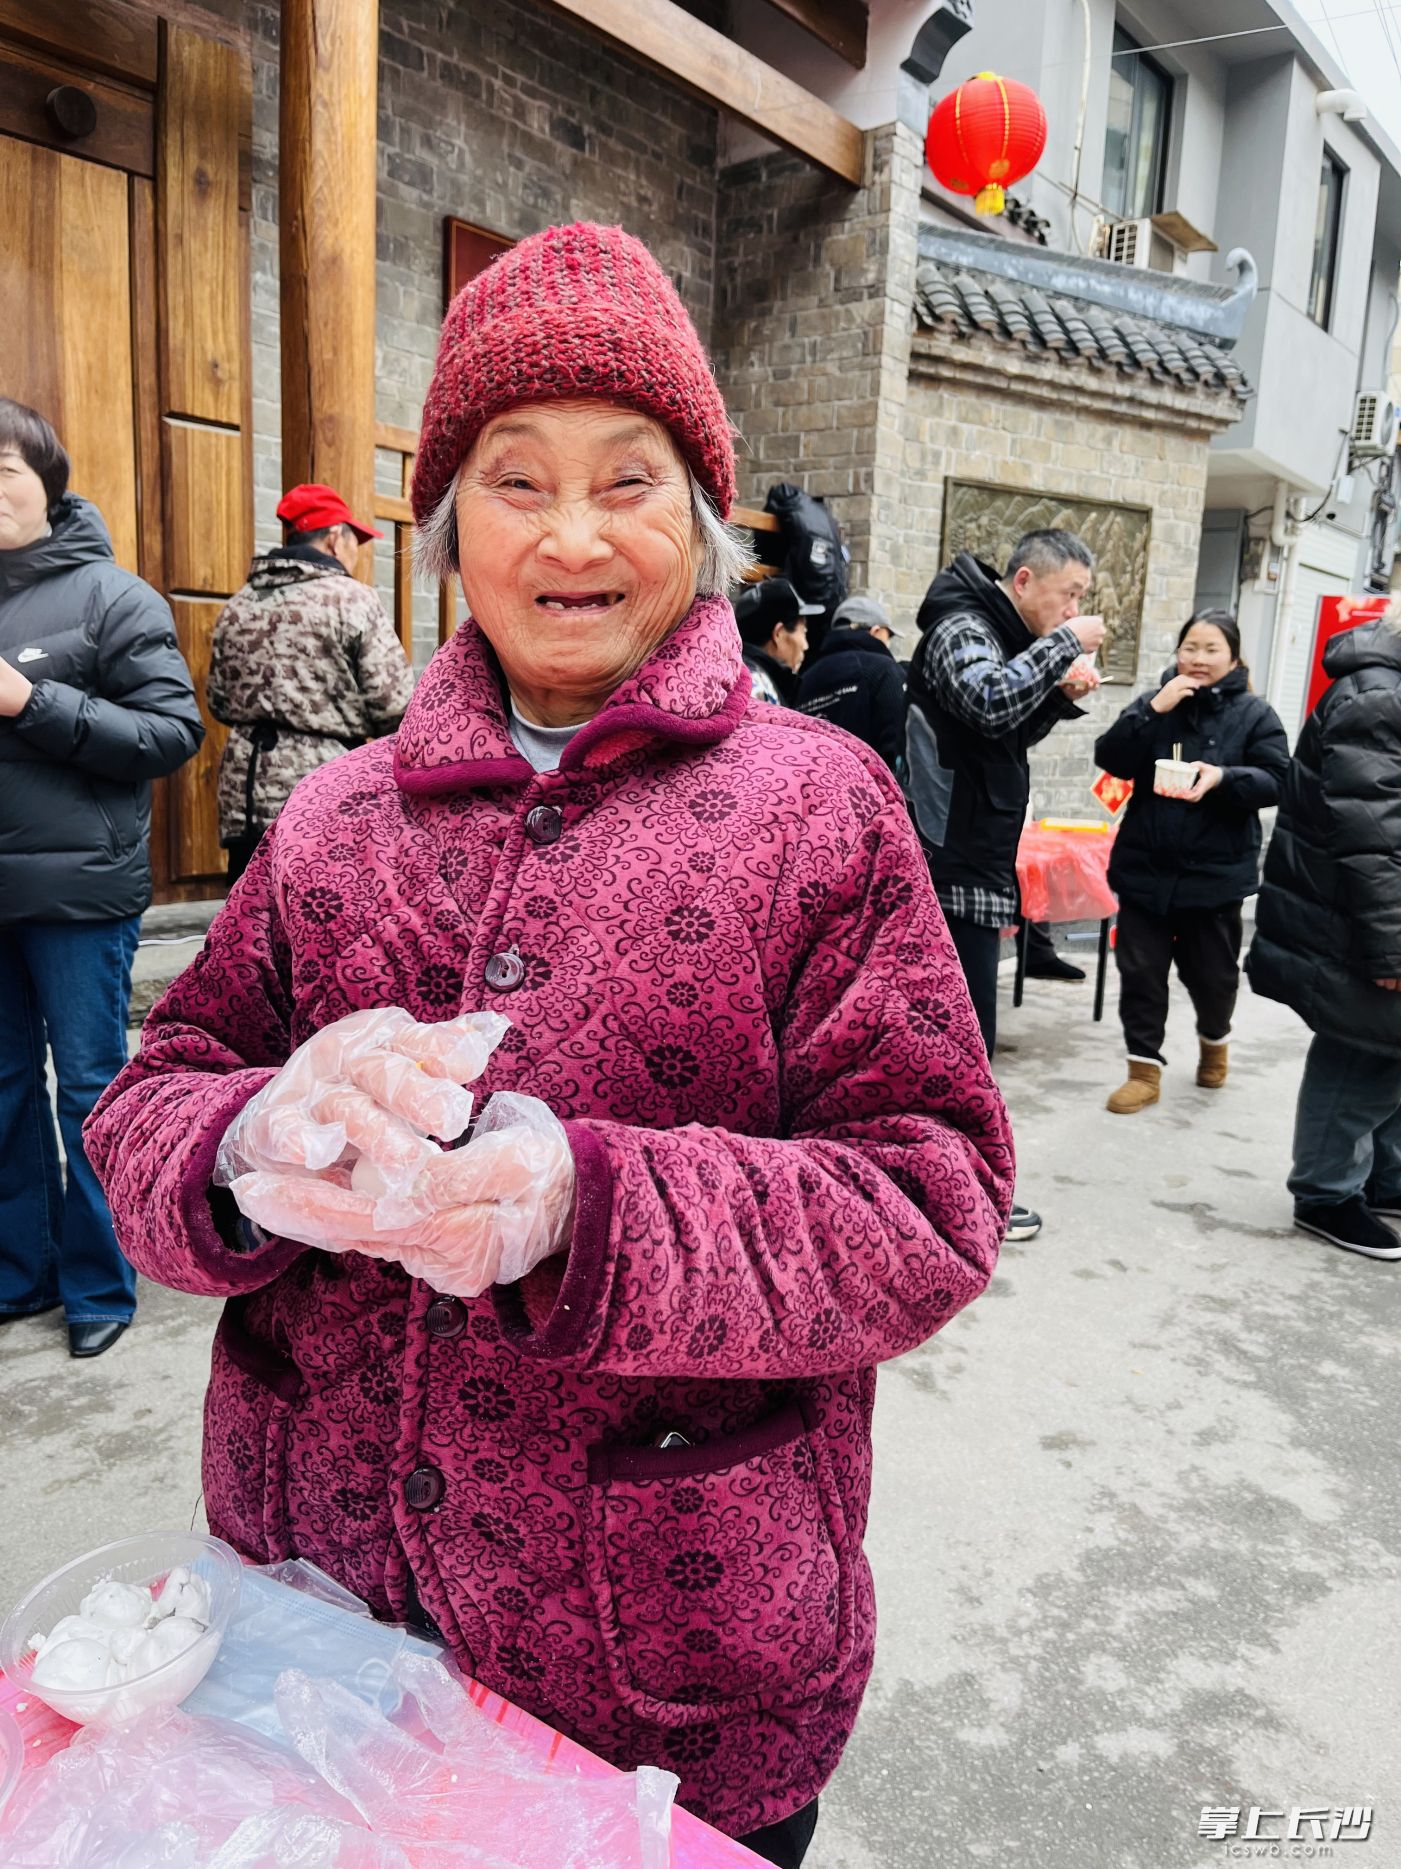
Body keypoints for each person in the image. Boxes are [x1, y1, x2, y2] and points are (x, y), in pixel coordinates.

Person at [86, 223, 1012, 1866]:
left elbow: (929, 1198)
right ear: (444, 530)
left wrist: (578, 1204)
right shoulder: (335, 817)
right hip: (325, 1627)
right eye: (515, 482)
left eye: (629, 480)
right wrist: (244, 1145)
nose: (573, 534)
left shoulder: (818, 809)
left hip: (670, 1660)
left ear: (707, 522)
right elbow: (157, 1089)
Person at [0, 398, 203, 1358]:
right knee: (1, 1089)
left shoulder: (113, 598)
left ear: (46, 483)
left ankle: (98, 1285)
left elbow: (169, 735)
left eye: (2, 471)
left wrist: (31, 700)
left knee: (88, 1084)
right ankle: (19, 1271)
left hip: (78, 894)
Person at [907, 531, 1104, 1241]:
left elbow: (999, 735)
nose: (1075, 608)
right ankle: (966, 1198)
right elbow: (987, 702)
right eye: (1070, 595)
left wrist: (1057, 692)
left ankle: (955, 1189)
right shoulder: (962, 624)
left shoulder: (992, 627)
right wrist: (1062, 649)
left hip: (971, 862)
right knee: (961, 1045)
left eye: (1080, 599)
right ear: (1024, 581)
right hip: (947, 863)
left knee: (958, 1045)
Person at [1247, 606, 1401, 1261]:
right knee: (1360, 1048)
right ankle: (1325, 1190)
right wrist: (1391, 945)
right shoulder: (1377, 697)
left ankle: (1378, 1175)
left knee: (1387, 1055)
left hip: (1367, 915)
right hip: (1361, 922)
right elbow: (1374, 839)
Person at [1094, 611, 1289, 1115]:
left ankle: (1214, 1038)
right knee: (1140, 972)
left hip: (1214, 875)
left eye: (1211, 649)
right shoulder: (1157, 704)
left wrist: (1223, 777)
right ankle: (1143, 1070)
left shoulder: (1255, 715)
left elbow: (1278, 780)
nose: (1198, 659)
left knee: (1212, 976)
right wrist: (1151, 712)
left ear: (1234, 657)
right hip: (1144, 867)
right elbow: (1111, 758)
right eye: (1190, 648)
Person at [208, 483, 415, 881]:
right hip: (322, 790)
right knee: (321, 919)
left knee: (249, 922)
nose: (357, 550)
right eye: (356, 539)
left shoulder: (238, 604)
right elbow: (394, 704)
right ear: (335, 538)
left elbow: (218, 700)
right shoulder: (351, 599)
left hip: (244, 793)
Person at [795, 593, 907, 772]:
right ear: (875, 631)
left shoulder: (805, 678)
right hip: (866, 792)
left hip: (813, 789)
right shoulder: (883, 670)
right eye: (888, 637)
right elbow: (898, 745)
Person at [734, 575, 821, 704]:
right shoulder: (758, 688)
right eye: (803, 632)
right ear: (778, 633)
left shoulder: (736, 673)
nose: (805, 645)